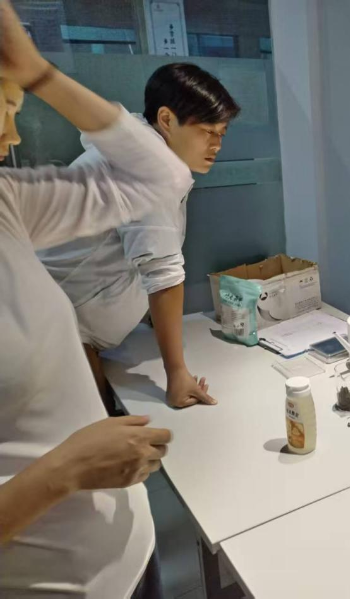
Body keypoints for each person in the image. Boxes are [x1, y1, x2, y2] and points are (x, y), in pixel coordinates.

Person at [0, 1, 190, 595]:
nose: (12, 134)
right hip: (55, 584)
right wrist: (64, 471)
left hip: (128, 553)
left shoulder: (4, 204)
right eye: (3, 110)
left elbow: (160, 176)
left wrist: (39, 73)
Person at [38, 63, 240, 411]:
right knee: (98, 436)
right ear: (166, 119)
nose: (217, 145)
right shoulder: (149, 168)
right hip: (53, 332)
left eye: (222, 133)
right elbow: (163, 274)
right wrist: (177, 374)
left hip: (64, 325)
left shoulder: (137, 150)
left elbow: (137, 246)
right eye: (208, 131)